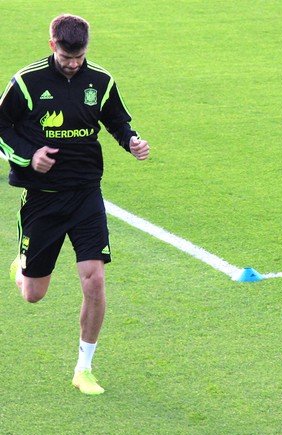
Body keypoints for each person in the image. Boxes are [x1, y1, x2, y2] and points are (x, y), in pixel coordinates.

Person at [0, 14, 149, 395]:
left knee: (95, 282)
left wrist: (131, 141)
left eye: (79, 57)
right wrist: (28, 156)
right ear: (53, 44)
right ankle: (21, 268)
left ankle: (84, 368)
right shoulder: (27, 82)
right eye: (66, 57)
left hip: (86, 195)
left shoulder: (100, 81)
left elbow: (116, 118)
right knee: (34, 294)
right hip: (43, 201)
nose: (72, 63)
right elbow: (2, 126)